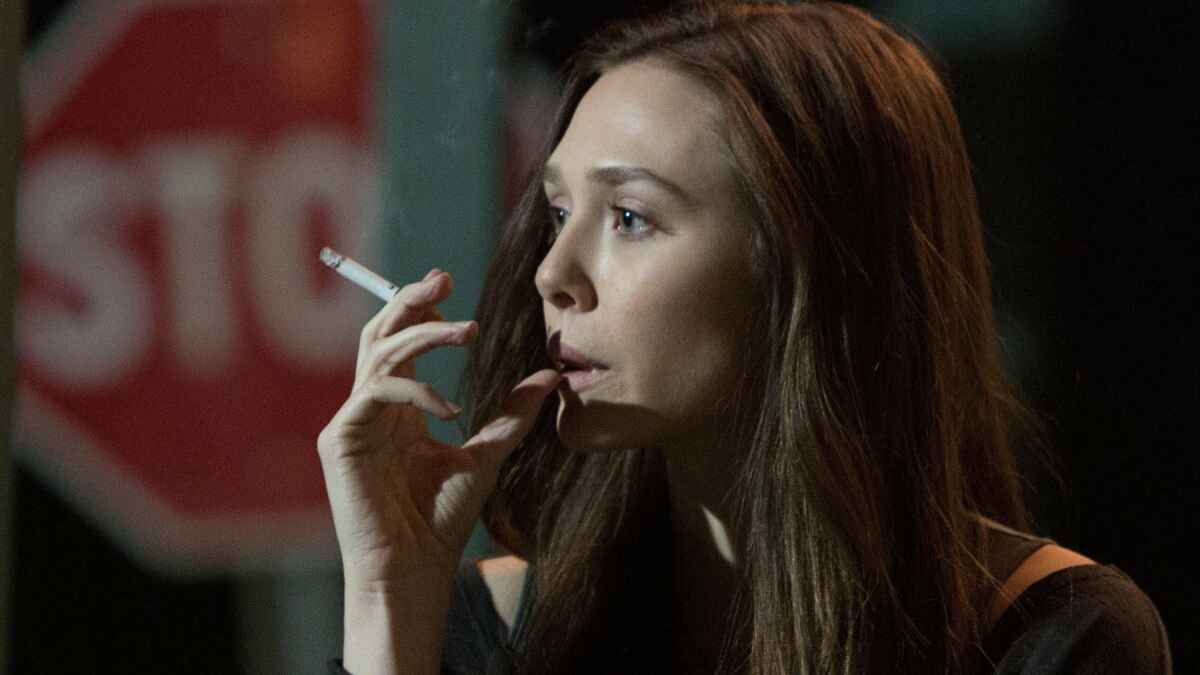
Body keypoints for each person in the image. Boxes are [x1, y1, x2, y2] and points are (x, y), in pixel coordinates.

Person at [318, 2, 1172, 673]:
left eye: (629, 217)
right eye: (557, 210)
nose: (551, 274)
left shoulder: (1046, 635)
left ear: (811, 264)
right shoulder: (496, 629)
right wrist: (387, 601)